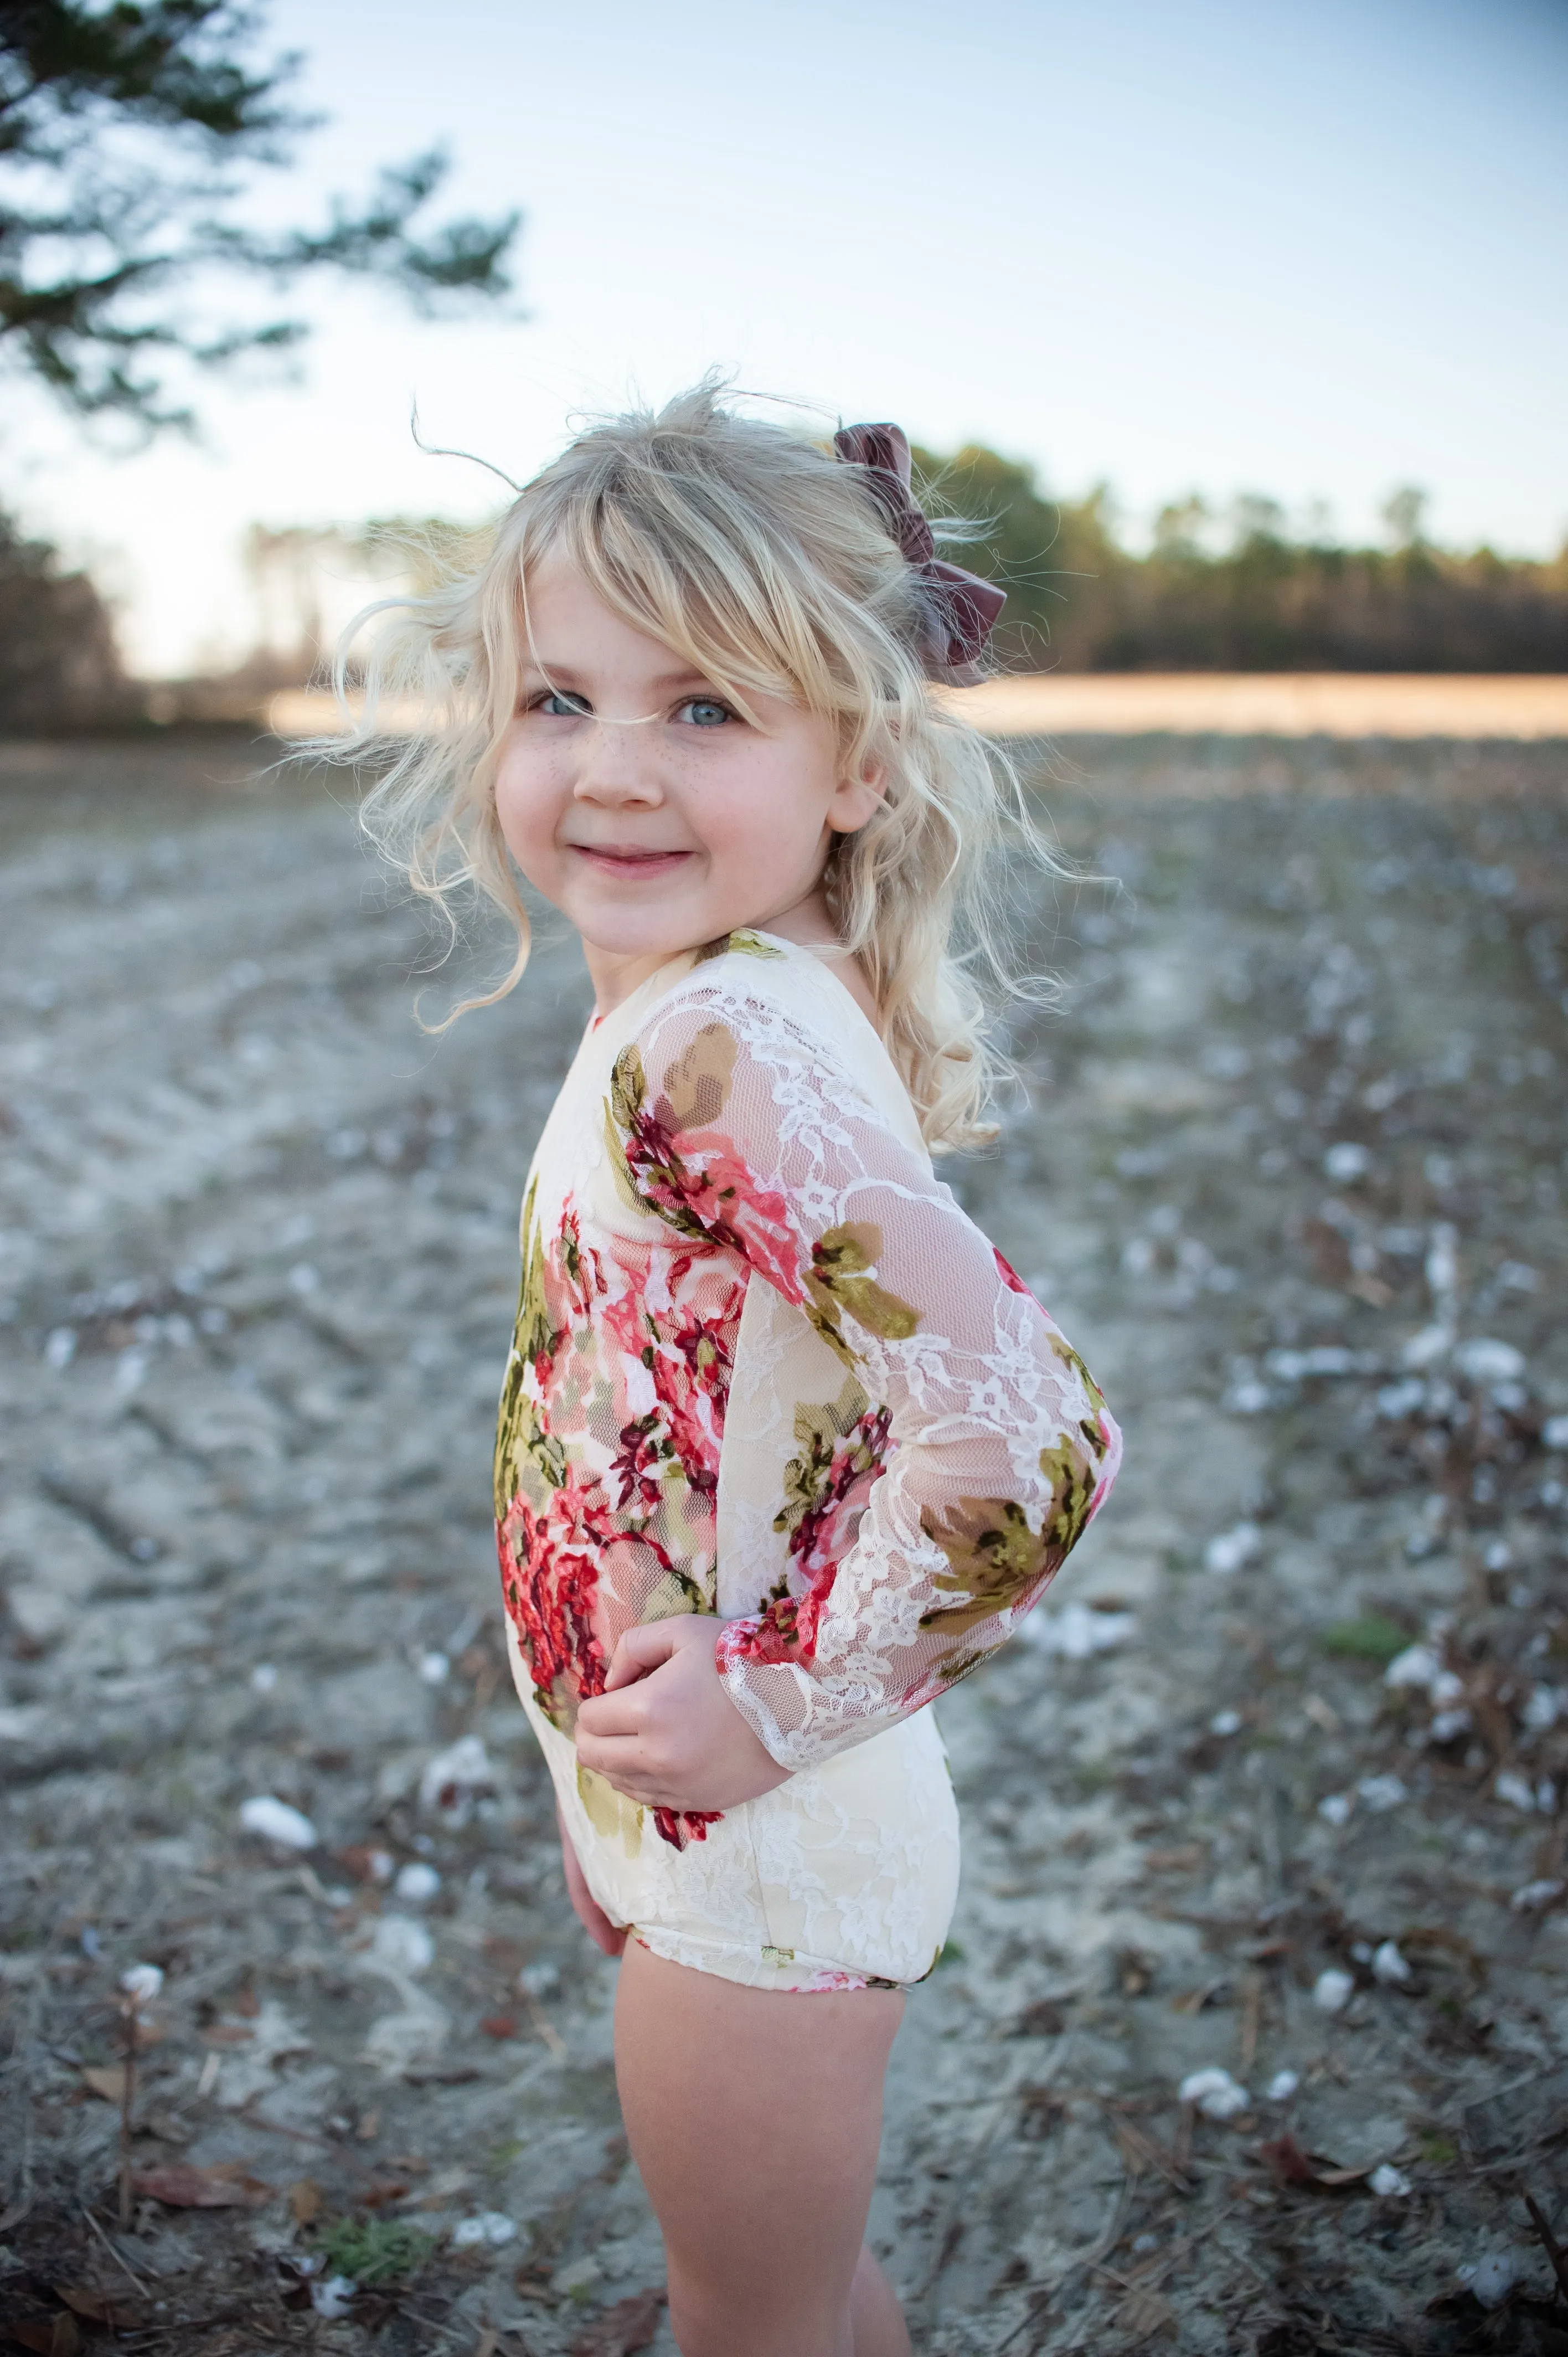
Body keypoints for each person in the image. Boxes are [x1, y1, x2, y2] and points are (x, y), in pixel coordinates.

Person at [344, 384, 1122, 2356]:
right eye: (556, 698)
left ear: (855, 761)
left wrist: (774, 1717)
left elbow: (1030, 1438)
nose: (614, 767)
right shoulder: (712, 1011)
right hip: (693, 1815)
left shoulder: (731, 1052)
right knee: (803, 2310)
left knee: (748, 2333)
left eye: (704, 709)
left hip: (767, 1852)